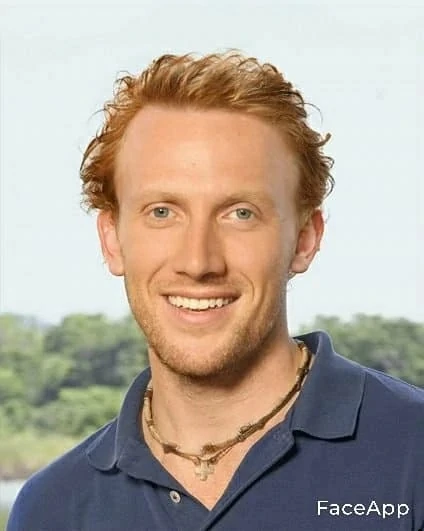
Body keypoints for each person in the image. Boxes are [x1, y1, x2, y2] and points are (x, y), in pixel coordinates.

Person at [7, 52, 424, 531]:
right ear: (112, 240)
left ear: (305, 239)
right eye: (162, 212)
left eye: (240, 213)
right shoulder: (51, 510)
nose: (198, 262)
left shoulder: (414, 456)